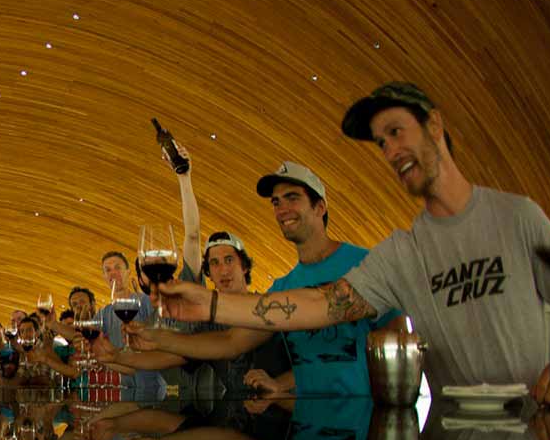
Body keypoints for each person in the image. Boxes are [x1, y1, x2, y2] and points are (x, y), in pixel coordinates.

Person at [156, 83, 550, 399]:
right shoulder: (401, 254)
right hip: (450, 438)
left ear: (435, 125)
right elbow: (321, 304)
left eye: (396, 132)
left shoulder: (516, 218)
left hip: (534, 431)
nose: (391, 151)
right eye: (382, 142)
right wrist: (207, 305)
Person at [134, 162, 397, 396]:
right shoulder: (283, 287)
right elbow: (231, 342)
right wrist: (157, 337)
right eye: (276, 202)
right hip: (303, 423)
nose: (282, 209)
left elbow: (399, 343)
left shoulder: (366, 265)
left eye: (292, 198)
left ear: (320, 207)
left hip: (363, 420)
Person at [97, 250, 166, 399]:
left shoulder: (147, 301)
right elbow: (82, 333)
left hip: (155, 390)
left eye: (117, 267)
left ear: (128, 272)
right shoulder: (104, 313)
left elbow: (163, 338)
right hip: (127, 391)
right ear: (104, 277)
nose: (113, 273)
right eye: (108, 270)